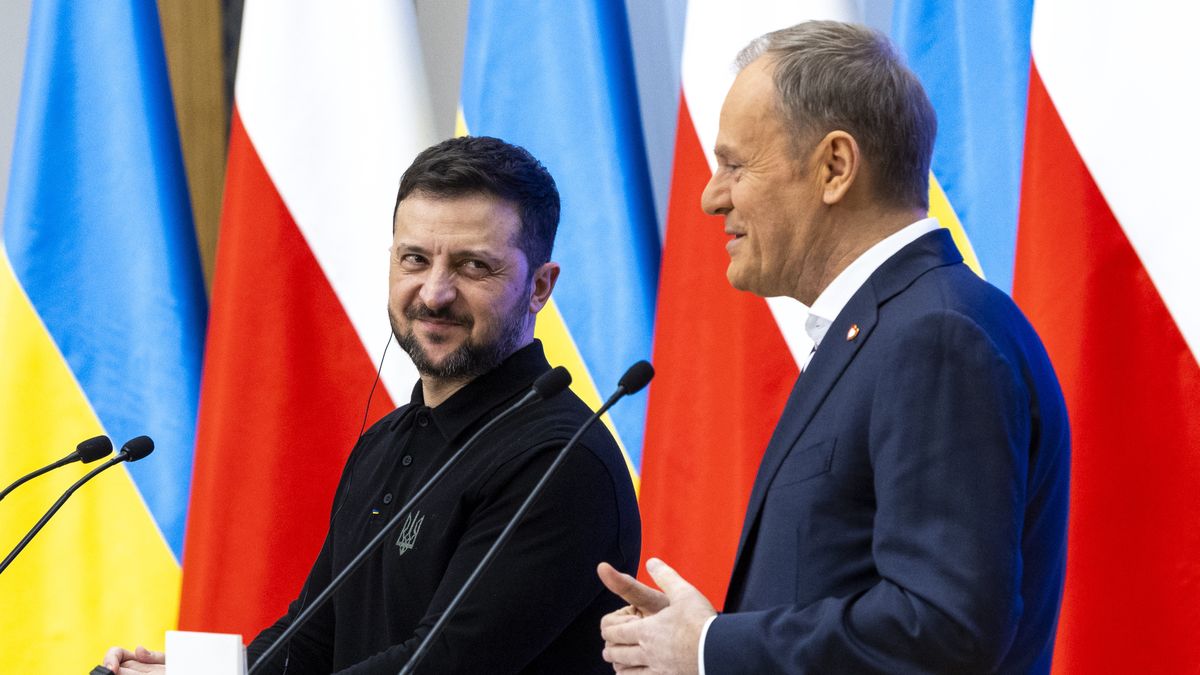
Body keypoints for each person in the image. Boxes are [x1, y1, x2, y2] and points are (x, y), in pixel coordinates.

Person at [598, 20, 1069, 674]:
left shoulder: (935, 335)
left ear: (835, 166)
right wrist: (705, 638)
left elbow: (944, 627)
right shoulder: (896, 326)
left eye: (735, 164)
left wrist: (711, 648)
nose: (710, 197)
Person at [105, 136, 641, 673]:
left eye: (474, 266)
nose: (434, 293)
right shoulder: (385, 442)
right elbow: (311, 637)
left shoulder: (560, 461)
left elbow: (437, 666)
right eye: (414, 259)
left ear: (539, 287)